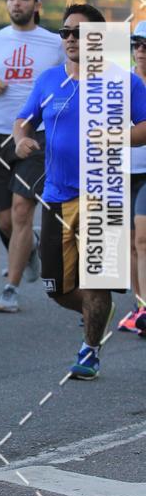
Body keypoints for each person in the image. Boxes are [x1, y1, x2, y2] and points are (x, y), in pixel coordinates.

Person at [14, 3, 146, 379]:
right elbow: (23, 119)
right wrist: (22, 138)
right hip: (57, 195)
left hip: (105, 195)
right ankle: (97, 311)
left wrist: (116, 135)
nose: (71, 39)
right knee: (56, 289)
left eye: (81, 33)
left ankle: (90, 349)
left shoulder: (124, 82)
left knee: (96, 282)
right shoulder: (49, 80)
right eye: (66, 32)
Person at [0, 0, 64, 313]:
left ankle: (10, 289)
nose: (16, 4)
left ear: (36, 5)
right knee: (5, 221)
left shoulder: (54, 42)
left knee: (23, 209)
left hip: (37, 134)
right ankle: (30, 248)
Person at [118, 20, 146, 336]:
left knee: (142, 239)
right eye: (136, 44)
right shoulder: (120, 82)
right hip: (123, 171)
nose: (140, 50)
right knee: (132, 245)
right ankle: (139, 308)